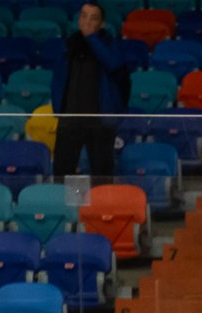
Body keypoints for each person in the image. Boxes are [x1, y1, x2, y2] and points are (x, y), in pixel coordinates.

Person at [50, 2, 126, 181]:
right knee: (63, 171)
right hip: (70, 119)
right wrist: (59, 109)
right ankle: (72, 200)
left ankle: (99, 200)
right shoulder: (69, 45)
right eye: (84, 16)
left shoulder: (109, 43)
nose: (87, 21)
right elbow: (58, 78)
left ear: (101, 23)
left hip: (99, 121)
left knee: (102, 172)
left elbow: (114, 65)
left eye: (93, 18)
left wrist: (92, 38)